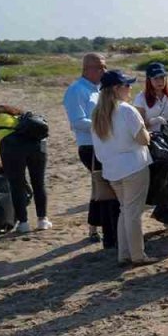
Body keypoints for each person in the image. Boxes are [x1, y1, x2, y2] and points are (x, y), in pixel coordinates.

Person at [91, 70, 154, 266]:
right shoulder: (126, 110)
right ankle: (138, 255)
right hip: (133, 166)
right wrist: (147, 131)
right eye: (127, 85)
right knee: (133, 212)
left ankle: (124, 254)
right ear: (117, 89)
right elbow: (143, 139)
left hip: (112, 169)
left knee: (125, 210)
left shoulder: (98, 113)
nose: (130, 88)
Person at [63, 53, 117, 245]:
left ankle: (93, 228)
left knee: (99, 187)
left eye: (104, 66)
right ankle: (105, 230)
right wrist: (106, 124)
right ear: (86, 69)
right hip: (90, 146)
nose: (103, 70)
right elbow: (77, 122)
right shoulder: (76, 90)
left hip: (105, 144)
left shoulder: (99, 89)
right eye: (99, 67)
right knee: (106, 187)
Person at [0, 105, 51, 232]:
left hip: (12, 149)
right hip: (37, 145)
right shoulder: (21, 117)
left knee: (17, 185)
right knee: (39, 183)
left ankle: (23, 223)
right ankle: (43, 220)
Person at [133, 63, 168, 134]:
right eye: (155, 78)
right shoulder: (141, 98)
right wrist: (152, 122)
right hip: (152, 140)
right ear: (149, 80)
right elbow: (137, 127)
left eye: (162, 77)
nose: (160, 81)